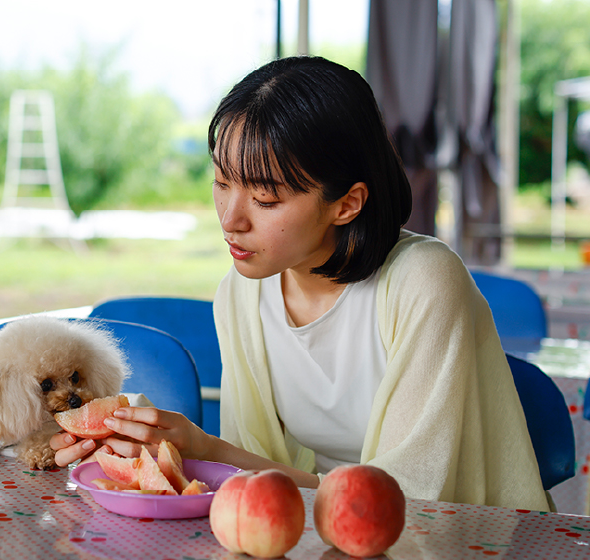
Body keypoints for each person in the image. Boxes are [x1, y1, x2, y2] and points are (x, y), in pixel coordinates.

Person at [51, 56, 550, 512]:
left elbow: (411, 500)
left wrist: (207, 448)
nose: (230, 219)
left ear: (347, 204)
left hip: (461, 535)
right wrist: (153, 447)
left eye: (265, 200)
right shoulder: (243, 293)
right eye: (222, 182)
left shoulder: (424, 280)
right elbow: (256, 478)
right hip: (321, 528)